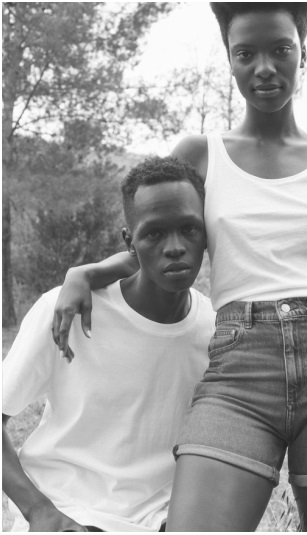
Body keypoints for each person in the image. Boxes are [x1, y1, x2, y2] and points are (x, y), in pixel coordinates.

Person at [51, 3, 307, 532]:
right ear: (230, 61)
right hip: (240, 371)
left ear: (303, 55)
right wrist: (86, 273)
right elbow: (156, 239)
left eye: (280, 50)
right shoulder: (202, 154)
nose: (264, 67)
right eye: (246, 54)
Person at [3, 156, 215, 532]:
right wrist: (39, 510)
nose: (175, 247)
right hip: (68, 511)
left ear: (208, 234)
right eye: (153, 234)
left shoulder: (215, 330)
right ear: (129, 241)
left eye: (189, 229)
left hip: (159, 521)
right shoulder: (65, 310)